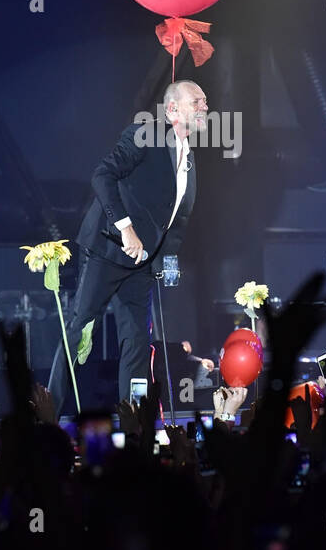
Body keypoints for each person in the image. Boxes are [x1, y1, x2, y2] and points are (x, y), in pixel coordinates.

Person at [47, 80, 208, 413]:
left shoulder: (189, 160)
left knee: (137, 343)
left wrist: (166, 261)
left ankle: (135, 419)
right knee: (79, 328)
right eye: (198, 101)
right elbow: (102, 175)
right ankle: (47, 411)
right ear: (174, 109)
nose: (205, 107)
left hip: (142, 265)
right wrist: (126, 228)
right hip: (108, 250)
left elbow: (175, 220)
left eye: (205, 102)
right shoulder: (146, 133)